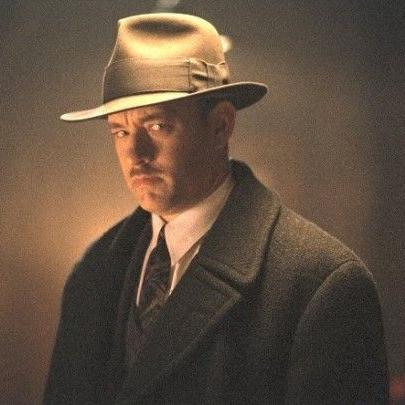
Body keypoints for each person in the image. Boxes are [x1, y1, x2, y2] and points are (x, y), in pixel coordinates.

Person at [44, 13, 388, 404]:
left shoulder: (322, 285)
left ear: (221, 125)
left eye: (157, 126)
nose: (136, 154)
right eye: (120, 131)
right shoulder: (95, 270)